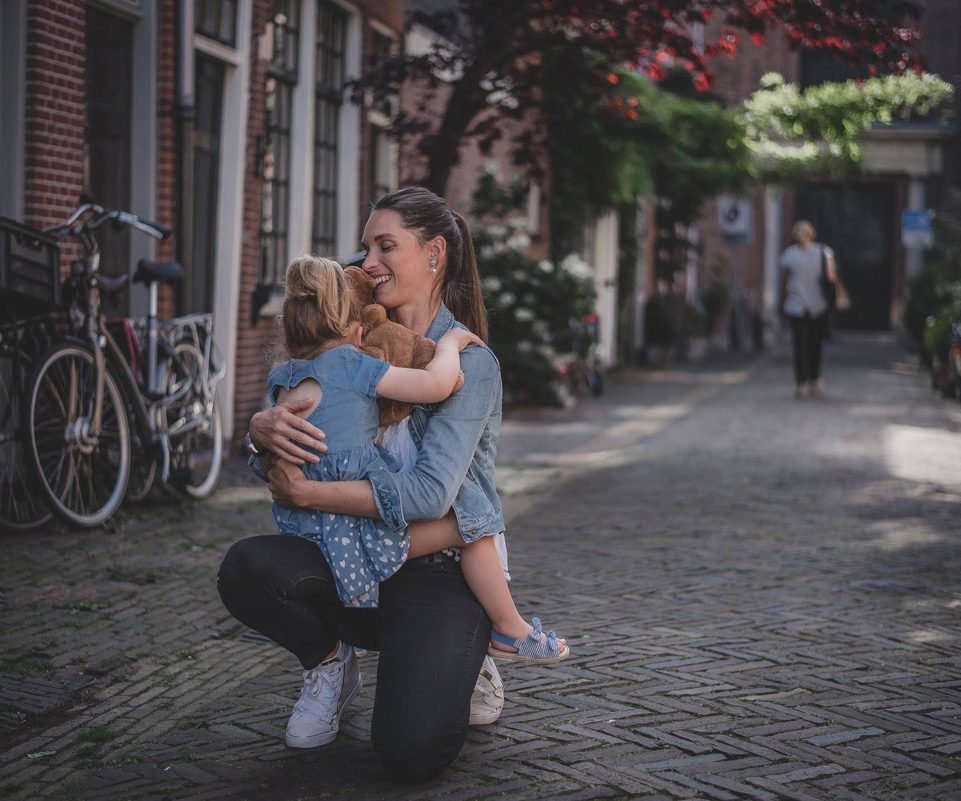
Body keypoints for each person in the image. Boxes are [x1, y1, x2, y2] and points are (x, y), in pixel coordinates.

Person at [217, 187, 568, 780]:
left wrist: (312, 495)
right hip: (352, 555)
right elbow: (295, 445)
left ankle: (471, 647)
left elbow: (432, 496)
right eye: (365, 247)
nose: (368, 261)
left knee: (411, 754)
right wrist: (261, 431)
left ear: (434, 254)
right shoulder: (344, 341)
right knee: (246, 569)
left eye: (386, 246)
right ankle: (330, 662)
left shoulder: (468, 362)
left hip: (440, 565)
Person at [778, 219, 838, 398]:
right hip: (818, 305)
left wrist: (782, 302)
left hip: (796, 305)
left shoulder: (789, 255)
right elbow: (832, 279)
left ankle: (801, 382)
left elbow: (785, 281)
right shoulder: (824, 252)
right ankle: (815, 379)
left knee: (799, 345)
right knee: (815, 344)